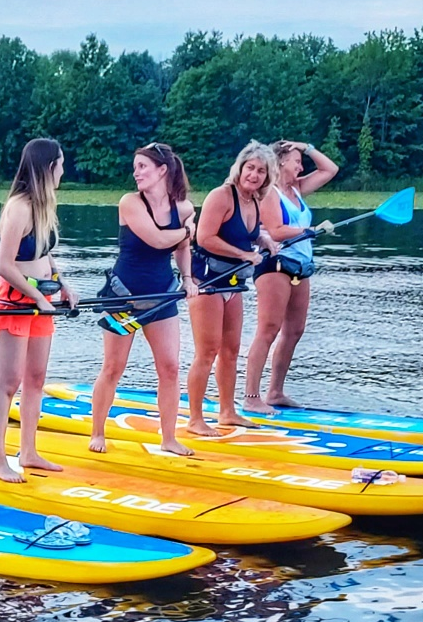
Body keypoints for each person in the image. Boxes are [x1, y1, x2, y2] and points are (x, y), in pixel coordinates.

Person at [87, 143, 195, 456]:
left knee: (170, 368)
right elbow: (159, 239)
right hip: (125, 297)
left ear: (163, 170)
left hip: (162, 296)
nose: (136, 173)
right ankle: (97, 432)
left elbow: (181, 250)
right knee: (113, 367)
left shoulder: (184, 208)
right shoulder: (129, 203)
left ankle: (169, 439)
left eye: (143, 166)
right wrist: (188, 232)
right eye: (135, 167)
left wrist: (187, 279)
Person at [0, 137, 78, 483]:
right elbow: (4, 264)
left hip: (41, 301)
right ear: (48, 167)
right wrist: (36, 296)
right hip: (12, 301)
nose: (64, 171)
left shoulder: (44, 206)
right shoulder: (20, 207)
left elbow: (42, 254)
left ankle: (28, 451)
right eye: (61, 164)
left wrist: (60, 283)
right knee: (9, 381)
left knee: (36, 379)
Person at [186, 141, 278, 435]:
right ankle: (195, 419)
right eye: (250, 167)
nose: (254, 174)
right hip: (206, 281)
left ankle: (227, 412)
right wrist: (245, 254)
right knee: (207, 350)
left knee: (231, 350)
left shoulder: (253, 201)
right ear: (239, 168)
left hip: (233, 283)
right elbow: (204, 237)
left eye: (261, 171)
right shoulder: (221, 196)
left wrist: (260, 240)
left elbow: (243, 234)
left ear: (267, 177)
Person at [246, 139, 339, 411]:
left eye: (301, 161)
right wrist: (310, 231)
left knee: (295, 330)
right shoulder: (269, 192)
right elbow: (274, 231)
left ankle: (274, 392)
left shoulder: (297, 189)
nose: (300, 165)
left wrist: (305, 147)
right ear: (281, 162)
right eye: (296, 160)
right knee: (268, 330)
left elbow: (329, 170)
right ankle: (251, 398)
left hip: (301, 266)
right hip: (274, 264)